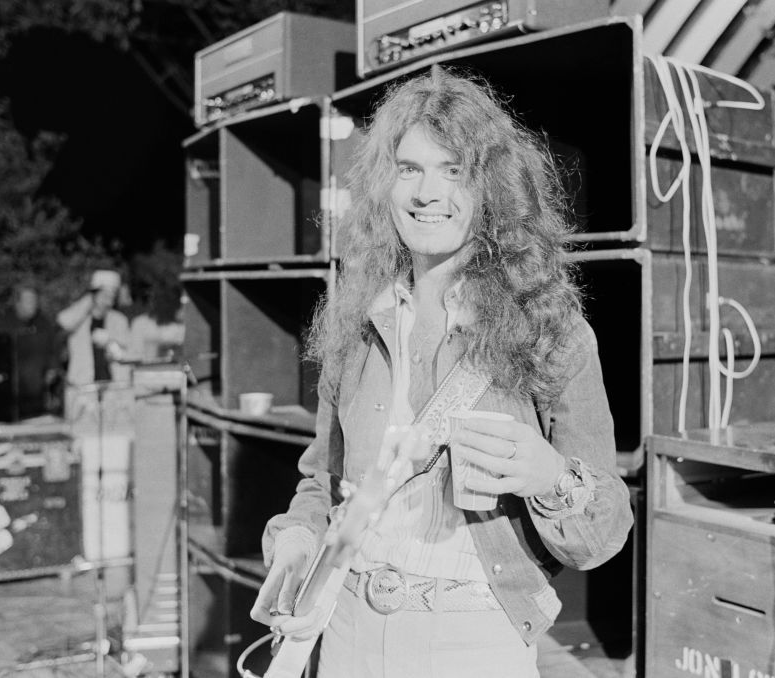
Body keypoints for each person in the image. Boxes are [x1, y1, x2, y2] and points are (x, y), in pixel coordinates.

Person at [250, 67, 634, 678]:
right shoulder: (354, 321)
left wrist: (550, 475)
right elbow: (322, 484)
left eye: (454, 170)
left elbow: (605, 530)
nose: (428, 192)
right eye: (410, 169)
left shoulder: (551, 330)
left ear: (492, 189)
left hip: (473, 639)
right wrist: (297, 541)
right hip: (347, 629)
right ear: (386, 184)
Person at [56, 269, 131, 414]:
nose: (108, 299)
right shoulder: (79, 318)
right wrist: (88, 301)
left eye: (112, 294)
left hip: (113, 388)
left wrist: (111, 342)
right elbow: (64, 321)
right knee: (82, 434)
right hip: (82, 387)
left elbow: (127, 352)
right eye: (104, 293)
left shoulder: (119, 320)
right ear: (94, 294)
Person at [0, 283, 62, 420]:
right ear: (17, 303)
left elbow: (53, 349)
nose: (33, 305)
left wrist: (52, 368)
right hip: (11, 397)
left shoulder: (43, 323)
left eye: (34, 301)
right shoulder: (1, 326)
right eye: (28, 301)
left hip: (39, 395)